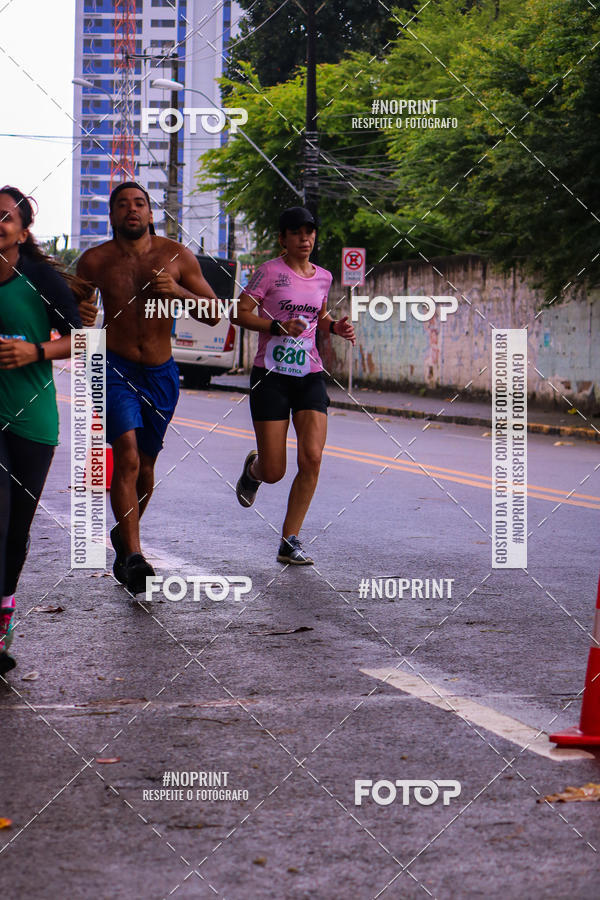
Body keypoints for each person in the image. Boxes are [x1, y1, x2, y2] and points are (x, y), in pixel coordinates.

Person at [76, 182, 220, 594]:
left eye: (139, 203)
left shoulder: (177, 256)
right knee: (126, 455)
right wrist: (78, 312)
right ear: (112, 215)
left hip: (160, 373)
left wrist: (178, 291)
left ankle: (124, 535)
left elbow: (214, 313)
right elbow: (70, 310)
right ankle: (135, 557)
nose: (132, 210)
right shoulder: (95, 260)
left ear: (151, 213)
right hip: (114, 368)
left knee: (147, 466)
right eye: (122, 204)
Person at [231, 206, 356, 565]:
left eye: (309, 232)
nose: (305, 238)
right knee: (274, 471)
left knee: (312, 457)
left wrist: (334, 328)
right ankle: (254, 471)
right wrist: (276, 327)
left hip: (309, 375)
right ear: (282, 238)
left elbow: (319, 316)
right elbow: (239, 313)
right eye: (297, 232)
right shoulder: (268, 272)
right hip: (270, 376)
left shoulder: (324, 277)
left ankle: (290, 540)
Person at [0, 186, 84, 675]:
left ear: (22, 230)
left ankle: (3, 614)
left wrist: (35, 351)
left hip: (32, 420)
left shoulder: (39, 279)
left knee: (16, 531)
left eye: (5, 217)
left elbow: (84, 340)